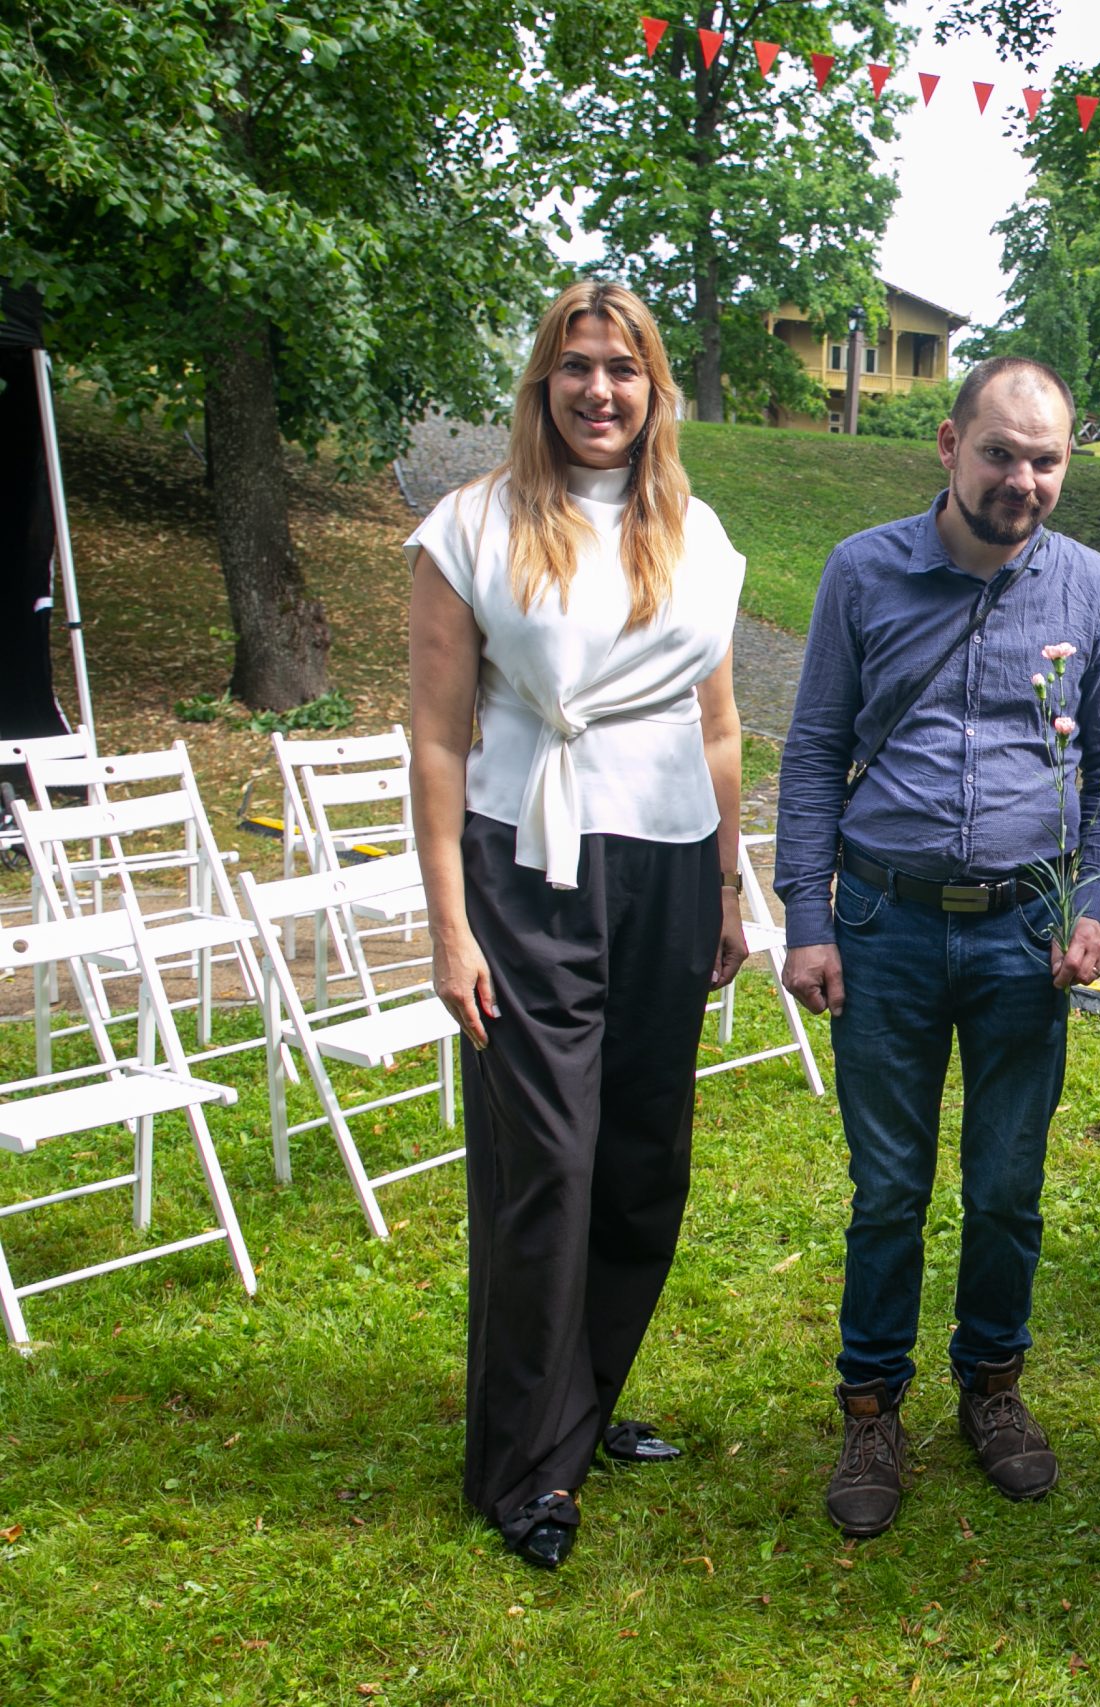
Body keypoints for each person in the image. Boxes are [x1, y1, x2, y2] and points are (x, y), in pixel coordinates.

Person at [409, 280, 752, 1572]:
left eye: (623, 369)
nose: (599, 390)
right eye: (575, 365)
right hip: (526, 864)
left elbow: (719, 726)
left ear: (656, 390)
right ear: (542, 383)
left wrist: (730, 883)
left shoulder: (697, 534)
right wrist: (449, 926)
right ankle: (523, 1466)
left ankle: (582, 1406)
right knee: (545, 1163)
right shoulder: (472, 525)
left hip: (667, 867)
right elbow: (436, 737)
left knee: (641, 1161)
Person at [773, 356, 1100, 1541]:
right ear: (947, 445)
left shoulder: (1090, 587)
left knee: (1006, 1185)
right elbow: (812, 751)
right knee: (888, 1188)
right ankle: (871, 1408)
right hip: (883, 927)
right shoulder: (862, 570)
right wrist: (808, 918)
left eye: (1045, 460)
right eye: (998, 453)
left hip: (1025, 935)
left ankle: (992, 1387)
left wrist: (1096, 907)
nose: (1020, 479)